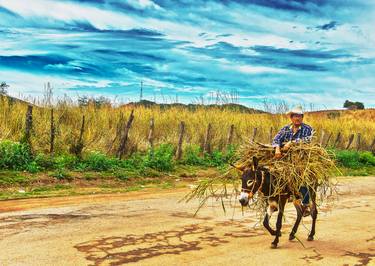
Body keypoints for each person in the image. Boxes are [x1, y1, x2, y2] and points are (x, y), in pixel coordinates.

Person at [271, 105, 314, 216]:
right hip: (284, 159)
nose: (297, 118)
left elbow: (308, 140)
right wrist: (277, 148)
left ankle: (305, 204)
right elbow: (276, 139)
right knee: (272, 173)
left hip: (301, 159)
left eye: (300, 116)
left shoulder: (307, 129)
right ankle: (273, 199)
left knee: (301, 176)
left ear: (302, 117)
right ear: (291, 117)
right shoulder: (285, 129)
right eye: (295, 116)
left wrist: (292, 143)